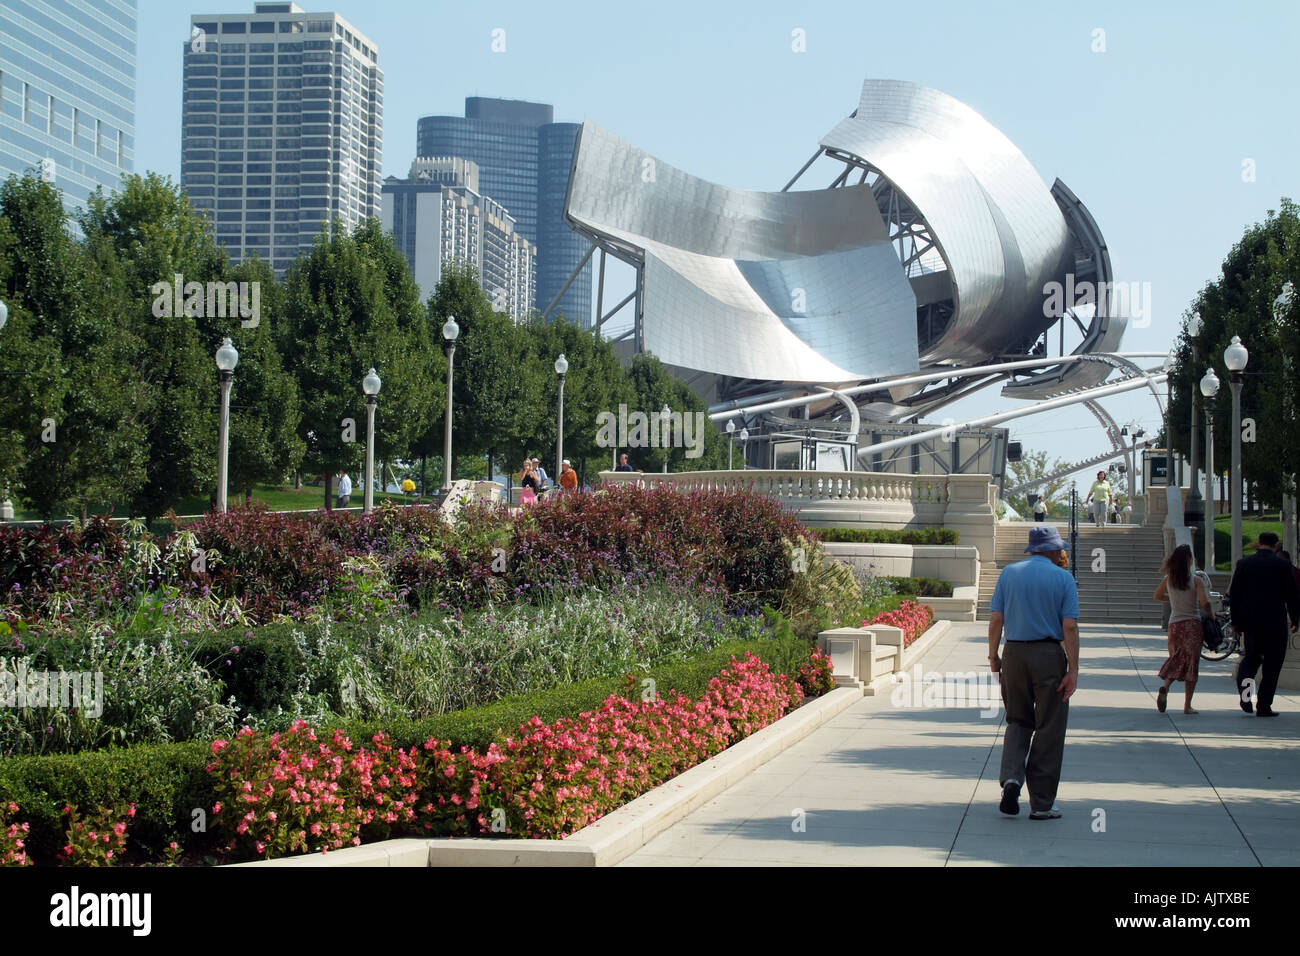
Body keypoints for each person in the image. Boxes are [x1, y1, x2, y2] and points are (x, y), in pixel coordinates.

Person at [988, 524, 1080, 820]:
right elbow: (1070, 626)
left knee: (1017, 720)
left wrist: (993, 656)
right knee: (1049, 726)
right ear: (1053, 549)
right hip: (1048, 655)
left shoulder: (1009, 574)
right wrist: (1074, 669)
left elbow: (996, 619)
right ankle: (1041, 802)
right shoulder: (1063, 579)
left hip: (1013, 652)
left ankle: (1012, 779)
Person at [1228, 532, 1300, 716]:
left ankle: (1246, 697)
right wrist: (1295, 618)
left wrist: (1236, 621)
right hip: (1275, 621)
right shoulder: (1283, 565)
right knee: (1272, 666)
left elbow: (1235, 595)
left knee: (1250, 661)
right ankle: (1264, 706)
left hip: (1251, 622)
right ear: (1275, 545)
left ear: (1259, 543)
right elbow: (1291, 594)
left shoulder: (1244, 563)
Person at [1153, 544, 1212, 714]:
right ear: (1188, 560)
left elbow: (1157, 596)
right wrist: (1212, 616)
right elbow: (1205, 603)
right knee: (1191, 663)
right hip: (1191, 625)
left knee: (1178, 659)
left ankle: (1166, 686)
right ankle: (1187, 705)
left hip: (1174, 625)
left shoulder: (1169, 579)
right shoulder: (1196, 580)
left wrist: (1173, 600)